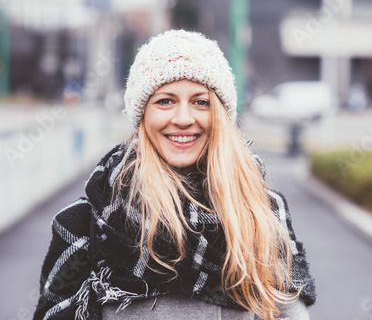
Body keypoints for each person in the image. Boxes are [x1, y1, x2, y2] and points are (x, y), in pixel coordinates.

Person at [33, 29, 316, 320]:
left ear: (220, 114)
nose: (183, 119)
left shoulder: (263, 212)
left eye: (201, 102)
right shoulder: (86, 224)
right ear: (142, 115)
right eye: (165, 101)